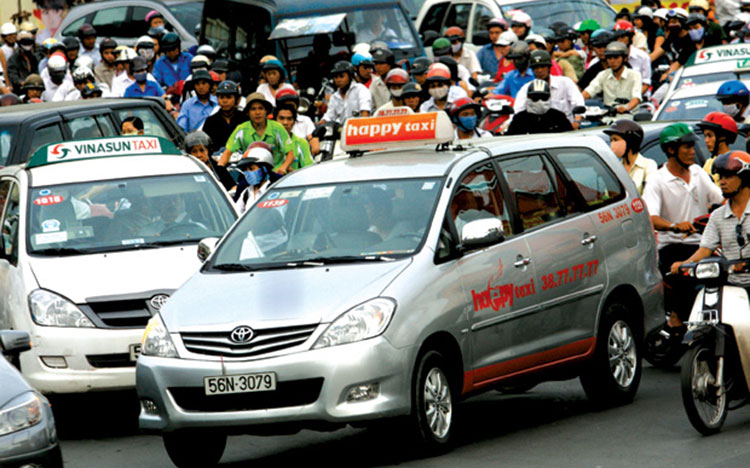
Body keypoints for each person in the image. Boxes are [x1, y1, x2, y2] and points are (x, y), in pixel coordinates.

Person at [642, 123, 723, 325]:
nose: (692, 152)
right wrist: (674, 226)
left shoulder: (697, 173)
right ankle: (677, 321)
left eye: (692, 147)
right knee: (683, 287)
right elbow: (651, 217)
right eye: (686, 147)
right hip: (673, 247)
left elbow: (720, 199)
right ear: (671, 150)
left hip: (703, 245)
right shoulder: (657, 180)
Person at [670, 151, 750, 294]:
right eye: (721, 177)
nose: (722, 182)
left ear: (744, 177)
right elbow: (705, 249)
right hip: (731, 286)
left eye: (728, 176)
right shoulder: (717, 216)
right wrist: (685, 263)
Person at [220, 93, 294, 175]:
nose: (257, 112)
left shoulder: (277, 128)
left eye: (261, 108)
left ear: (266, 111)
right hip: (251, 175)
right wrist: (220, 169)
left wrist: (283, 168)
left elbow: (290, 153)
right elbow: (227, 152)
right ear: (248, 113)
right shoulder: (241, 129)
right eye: (253, 109)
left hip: (275, 173)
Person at [513, 50, 584, 124]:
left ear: (549, 67)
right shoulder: (526, 88)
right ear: (533, 70)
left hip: (565, 129)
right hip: (537, 130)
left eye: (543, 66)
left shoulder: (565, 82)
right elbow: (518, 110)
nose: (540, 70)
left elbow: (578, 103)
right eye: (536, 67)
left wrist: (577, 121)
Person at [582, 41, 642, 113]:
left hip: (630, 117)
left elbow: (636, 98)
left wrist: (626, 108)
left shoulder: (635, 75)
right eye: (609, 58)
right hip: (607, 117)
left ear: (625, 58)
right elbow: (589, 91)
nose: (612, 61)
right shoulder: (603, 75)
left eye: (616, 57)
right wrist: (578, 101)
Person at [603, 120, 657, 194]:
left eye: (615, 140)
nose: (612, 144)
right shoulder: (616, 169)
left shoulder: (648, 165)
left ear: (630, 141)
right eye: (611, 140)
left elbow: (650, 195)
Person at [506, 79, 573, 135]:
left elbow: (569, 138)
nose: (539, 101)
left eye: (543, 97)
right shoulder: (520, 119)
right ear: (528, 97)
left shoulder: (558, 117)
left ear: (549, 97)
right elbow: (510, 140)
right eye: (535, 97)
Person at [202, 80, 248, 155]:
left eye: (229, 97)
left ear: (237, 99)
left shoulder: (244, 119)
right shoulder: (211, 121)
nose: (224, 101)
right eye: (221, 97)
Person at [650, 8, 695, 78]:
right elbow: (658, 52)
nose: (671, 25)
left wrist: (666, 75)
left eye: (674, 22)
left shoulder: (690, 40)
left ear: (683, 22)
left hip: (687, 74)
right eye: (669, 22)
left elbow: (678, 63)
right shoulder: (673, 36)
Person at [234, 142, 277, 213]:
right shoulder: (246, 193)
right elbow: (236, 214)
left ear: (264, 168)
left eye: (251, 169)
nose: (248, 173)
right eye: (245, 170)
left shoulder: (274, 191)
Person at [699, 111, 738, 183]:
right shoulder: (708, 163)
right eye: (705, 136)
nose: (706, 140)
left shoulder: (735, 163)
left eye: (710, 136)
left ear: (722, 136)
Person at [613, 20, 651, 95]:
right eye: (617, 38)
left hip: (640, 98)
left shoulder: (642, 56)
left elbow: (645, 84)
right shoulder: (610, 58)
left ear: (631, 37)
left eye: (623, 37)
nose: (619, 41)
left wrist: (633, 99)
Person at [275, 105, 314, 170]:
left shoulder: (301, 143)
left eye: (289, 119)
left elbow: (309, 169)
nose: (285, 123)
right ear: (275, 120)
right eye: (281, 118)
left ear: (294, 122)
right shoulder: (267, 141)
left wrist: (291, 172)